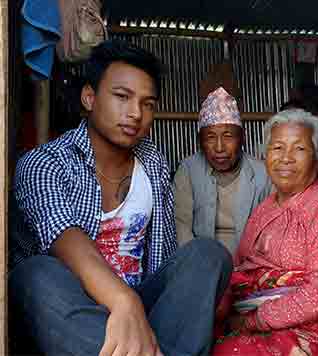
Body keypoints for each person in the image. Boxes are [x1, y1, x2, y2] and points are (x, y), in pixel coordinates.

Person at [9, 39, 232, 356]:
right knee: (34, 275)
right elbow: (64, 237)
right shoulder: (45, 163)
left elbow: (164, 255)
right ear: (89, 97)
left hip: (141, 304)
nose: (135, 113)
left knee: (208, 254)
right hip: (74, 308)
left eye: (148, 103)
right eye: (122, 97)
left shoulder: (153, 162)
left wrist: (137, 305)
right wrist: (122, 302)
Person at [212, 109, 318, 356]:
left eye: (299, 149)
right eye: (277, 147)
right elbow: (240, 267)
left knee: (235, 352)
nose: (286, 158)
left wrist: (255, 320)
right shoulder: (264, 209)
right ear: (265, 155)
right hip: (268, 317)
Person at [173, 87, 272, 254]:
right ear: (200, 141)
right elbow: (180, 225)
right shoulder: (188, 170)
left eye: (228, 136)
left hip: (250, 264)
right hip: (201, 263)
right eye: (210, 137)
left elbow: (270, 233)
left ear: (242, 138)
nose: (219, 147)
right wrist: (199, 266)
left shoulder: (263, 174)